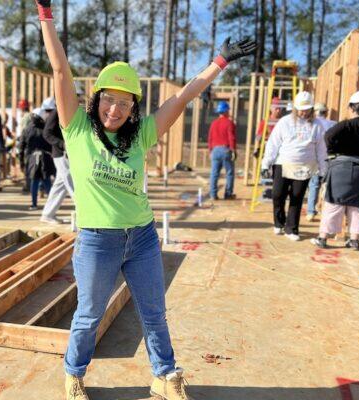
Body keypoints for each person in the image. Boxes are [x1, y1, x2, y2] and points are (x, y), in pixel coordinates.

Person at [35, 1, 256, 398]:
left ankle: (165, 376)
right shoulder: (77, 128)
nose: (115, 109)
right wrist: (45, 14)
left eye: (124, 102)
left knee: (154, 314)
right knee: (89, 315)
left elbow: (182, 98)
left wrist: (219, 62)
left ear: (133, 107)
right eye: (109, 99)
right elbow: (60, 70)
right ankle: (74, 375)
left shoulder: (140, 136)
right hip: (97, 240)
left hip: (142, 237)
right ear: (96, 99)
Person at [311, 91, 359, 250]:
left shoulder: (344, 125)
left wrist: (334, 151)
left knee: (334, 202)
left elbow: (328, 136)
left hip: (341, 168)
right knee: (357, 205)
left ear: (351, 108)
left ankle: (323, 238)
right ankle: (354, 240)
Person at [261, 91, 328, 241]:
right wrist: (266, 164)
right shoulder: (285, 122)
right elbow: (273, 144)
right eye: (301, 109)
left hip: (304, 166)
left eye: (307, 109)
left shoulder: (317, 125)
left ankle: (291, 229)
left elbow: (321, 150)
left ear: (311, 109)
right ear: (295, 108)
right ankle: (279, 222)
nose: (303, 112)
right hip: (283, 164)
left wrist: (323, 171)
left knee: (296, 197)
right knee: (278, 195)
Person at [41, 96, 76, 224]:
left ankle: (48, 214)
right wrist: (62, 144)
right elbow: (46, 133)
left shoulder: (64, 112)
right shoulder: (56, 112)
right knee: (71, 183)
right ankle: (84, 211)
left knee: (60, 185)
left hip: (62, 153)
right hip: (61, 154)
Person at [19, 107, 56, 210]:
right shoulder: (46, 129)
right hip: (45, 157)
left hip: (32, 158)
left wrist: (21, 162)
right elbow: (51, 143)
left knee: (34, 181)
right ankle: (51, 206)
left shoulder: (26, 129)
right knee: (46, 180)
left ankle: (34, 204)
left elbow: (21, 147)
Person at [306, 102, 336, 221]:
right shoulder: (333, 124)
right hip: (330, 159)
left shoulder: (311, 124)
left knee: (314, 185)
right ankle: (326, 212)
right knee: (328, 186)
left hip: (315, 159)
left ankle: (311, 212)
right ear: (326, 112)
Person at [207, 101, 236, 200]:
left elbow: (210, 138)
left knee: (214, 174)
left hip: (215, 151)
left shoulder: (214, 123)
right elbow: (231, 137)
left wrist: (210, 151)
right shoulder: (229, 123)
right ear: (226, 111)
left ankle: (213, 195)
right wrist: (233, 150)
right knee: (229, 173)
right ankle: (228, 194)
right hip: (225, 150)